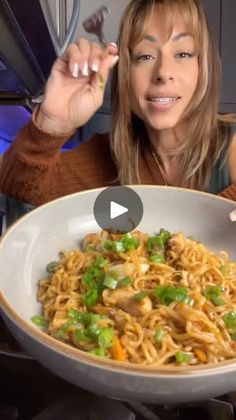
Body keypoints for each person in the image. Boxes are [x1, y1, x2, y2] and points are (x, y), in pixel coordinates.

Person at [0, 0, 236, 206]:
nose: (163, 72)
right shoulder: (104, 155)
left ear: (203, 67)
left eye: (183, 54)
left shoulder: (232, 148)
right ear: (125, 73)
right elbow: (18, 187)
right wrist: (53, 121)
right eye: (145, 56)